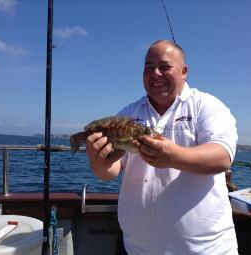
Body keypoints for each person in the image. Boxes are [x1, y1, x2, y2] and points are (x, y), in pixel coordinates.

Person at [86, 40, 238, 255]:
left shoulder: (207, 106)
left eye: (164, 67)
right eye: (149, 68)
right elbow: (109, 172)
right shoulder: (127, 114)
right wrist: (97, 160)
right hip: (138, 248)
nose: (155, 73)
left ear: (184, 71)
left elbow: (222, 157)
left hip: (204, 249)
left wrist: (174, 157)